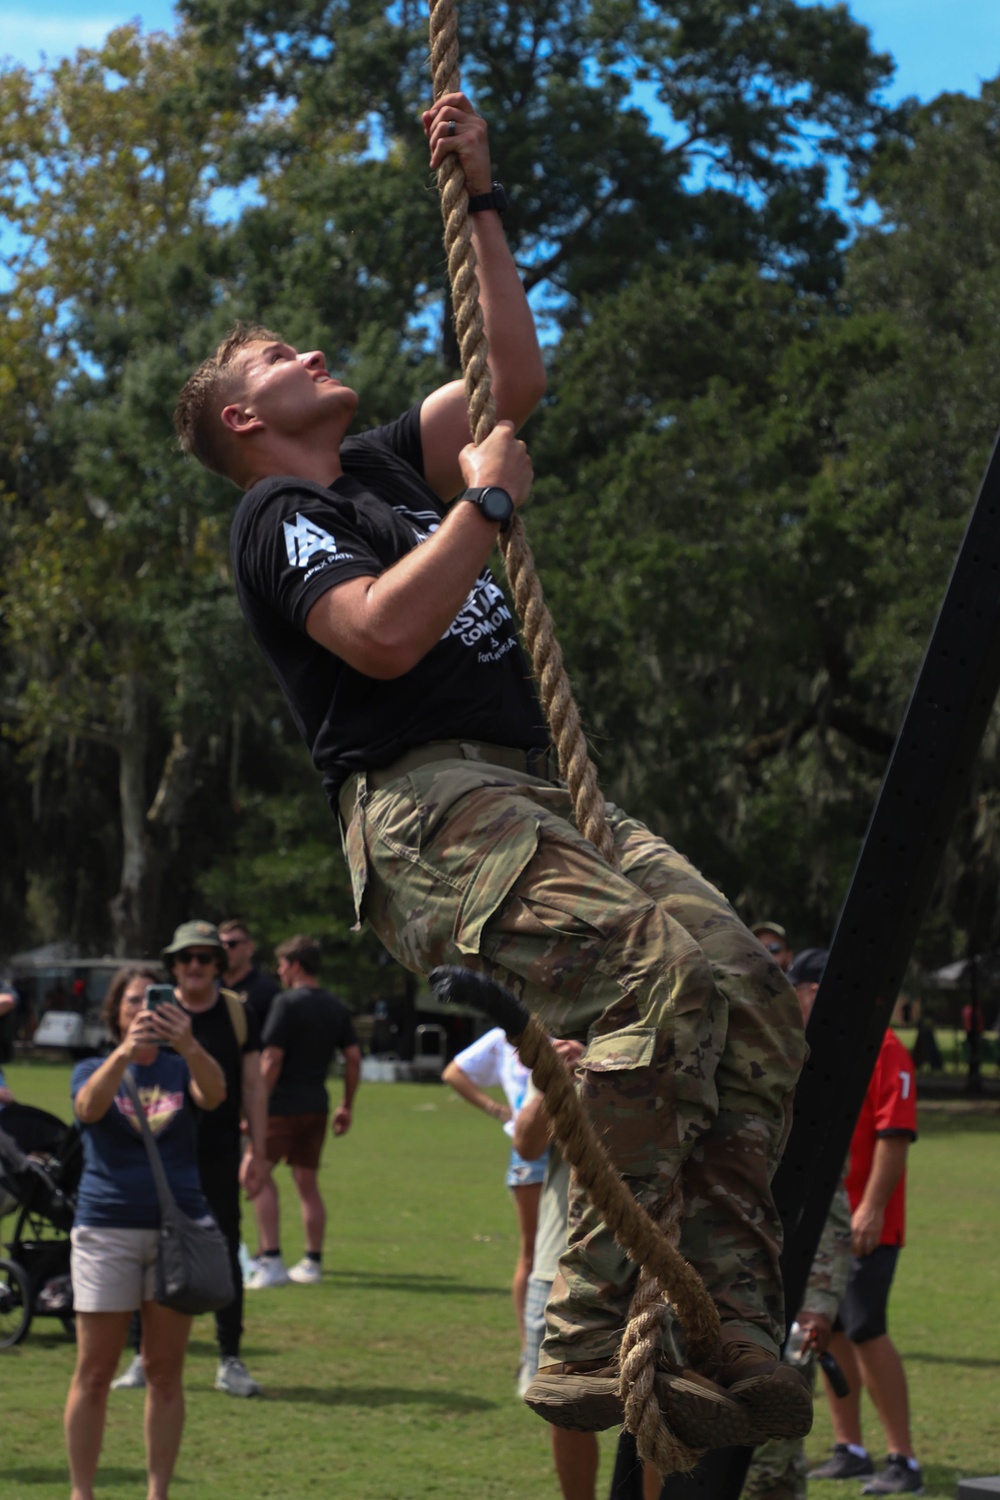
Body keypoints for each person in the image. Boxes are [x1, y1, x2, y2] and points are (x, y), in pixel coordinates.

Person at [173, 92, 808, 1447]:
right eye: (283, 353)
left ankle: (740, 1310)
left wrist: (483, 194)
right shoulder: (277, 513)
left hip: (538, 785)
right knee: (646, 967)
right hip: (427, 804)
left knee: (744, 987)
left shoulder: (390, 462)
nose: (315, 350)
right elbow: (382, 635)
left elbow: (509, 380)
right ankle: (581, 1312)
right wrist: (488, 508)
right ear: (239, 414)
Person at [64, 964, 226, 1500]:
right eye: (132, 1002)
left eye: (152, 1002)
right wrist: (123, 1054)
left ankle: (158, 1493)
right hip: (105, 1230)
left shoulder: (182, 1069)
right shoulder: (92, 1064)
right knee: (95, 1370)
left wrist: (189, 1044)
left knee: (164, 1371)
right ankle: (82, 1493)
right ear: (115, 1012)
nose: (143, 1011)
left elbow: (216, 1093)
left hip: (173, 1233)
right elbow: (88, 1108)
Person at [112, 922, 270, 1399]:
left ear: (219, 964)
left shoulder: (237, 1014)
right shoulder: (155, 1011)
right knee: (150, 1250)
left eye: (205, 957)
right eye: (186, 959)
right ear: (174, 965)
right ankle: (142, 1355)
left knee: (224, 1248)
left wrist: (258, 1151)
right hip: (159, 1150)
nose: (195, 966)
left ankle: (230, 1358)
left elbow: (254, 1085)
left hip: (218, 1151)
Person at [794, 950, 923, 1496]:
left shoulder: (885, 1050)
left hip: (869, 1222)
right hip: (827, 1225)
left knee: (866, 1327)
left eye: (800, 988)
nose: (796, 1000)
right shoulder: (823, 1054)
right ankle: (850, 1448)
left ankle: (904, 1460)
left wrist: (870, 1208)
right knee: (832, 1331)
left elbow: (895, 1137)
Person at [743, 951, 854, 1500]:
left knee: (771, 1464)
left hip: (781, 1303)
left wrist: (819, 1304)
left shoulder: (808, 1086)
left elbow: (830, 1209)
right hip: (715, 1296)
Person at [247, 933, 361, 1288]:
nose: (279, 971)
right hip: (317, 1105)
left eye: (282, 964)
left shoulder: (286, 1004)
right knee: (307, 1184)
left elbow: (272, 1059)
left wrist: (256, 1106)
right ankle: (312, 1263)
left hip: (280, 1106)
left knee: (254, 1175)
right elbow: (354, 1058)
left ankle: (271, 1260)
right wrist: (347, 1105)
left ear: (295, 965)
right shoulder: (336, 1006)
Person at [443, 1026, 548, 1372]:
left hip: (577, 1148)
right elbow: (453, 1072)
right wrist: (497, 1109)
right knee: (532, 1253)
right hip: (530, 1154)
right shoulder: (508, 1032)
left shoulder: (573, 1022)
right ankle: (528, 1351)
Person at [219, 919, 281, 1031]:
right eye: (221, 945)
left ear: (250, 947)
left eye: (232, 944)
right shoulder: (210, 986)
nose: (225, 949)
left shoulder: (267, 991)